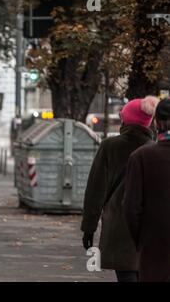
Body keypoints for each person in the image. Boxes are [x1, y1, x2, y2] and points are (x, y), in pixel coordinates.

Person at [81, 96, 159, 282]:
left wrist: (89, 228)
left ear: (126, 120)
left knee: (125, 273)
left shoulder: (110, 146)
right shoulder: (155, 150)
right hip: (150, 227)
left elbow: (95, 190)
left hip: (119, 226)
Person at [124, 98, 170, 282]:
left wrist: (141, 239)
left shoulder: (141, 157)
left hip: (154, 246)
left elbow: (131, 208)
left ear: (156, 123)